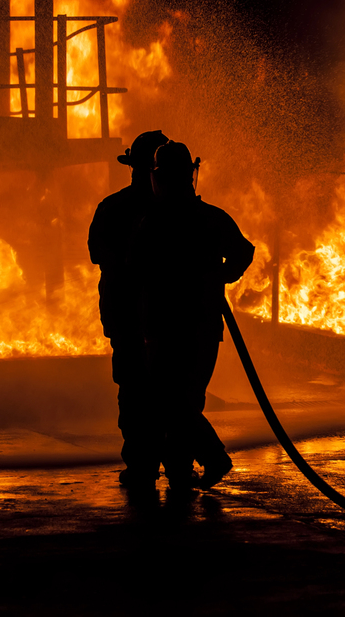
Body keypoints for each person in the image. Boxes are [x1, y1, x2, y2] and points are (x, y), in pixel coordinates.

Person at [131, 141, 255, 491]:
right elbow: (243, 252)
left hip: (165, 326)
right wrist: (223, 276)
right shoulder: (211, 218)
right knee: (185, 399)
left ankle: (211, 457)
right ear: (191, 175)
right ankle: (182, 471)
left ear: (158, 178)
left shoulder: (153, 223)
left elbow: (134, 268)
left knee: (169, 400)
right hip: (202, 326)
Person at [88, 130, 171, 487]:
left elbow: (96, 253)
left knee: (136, 390)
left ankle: (143, 463)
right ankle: (171, 463)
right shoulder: (175, 211)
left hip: (130, 314)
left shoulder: (113, 207)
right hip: (161, 315)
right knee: (168, 390)